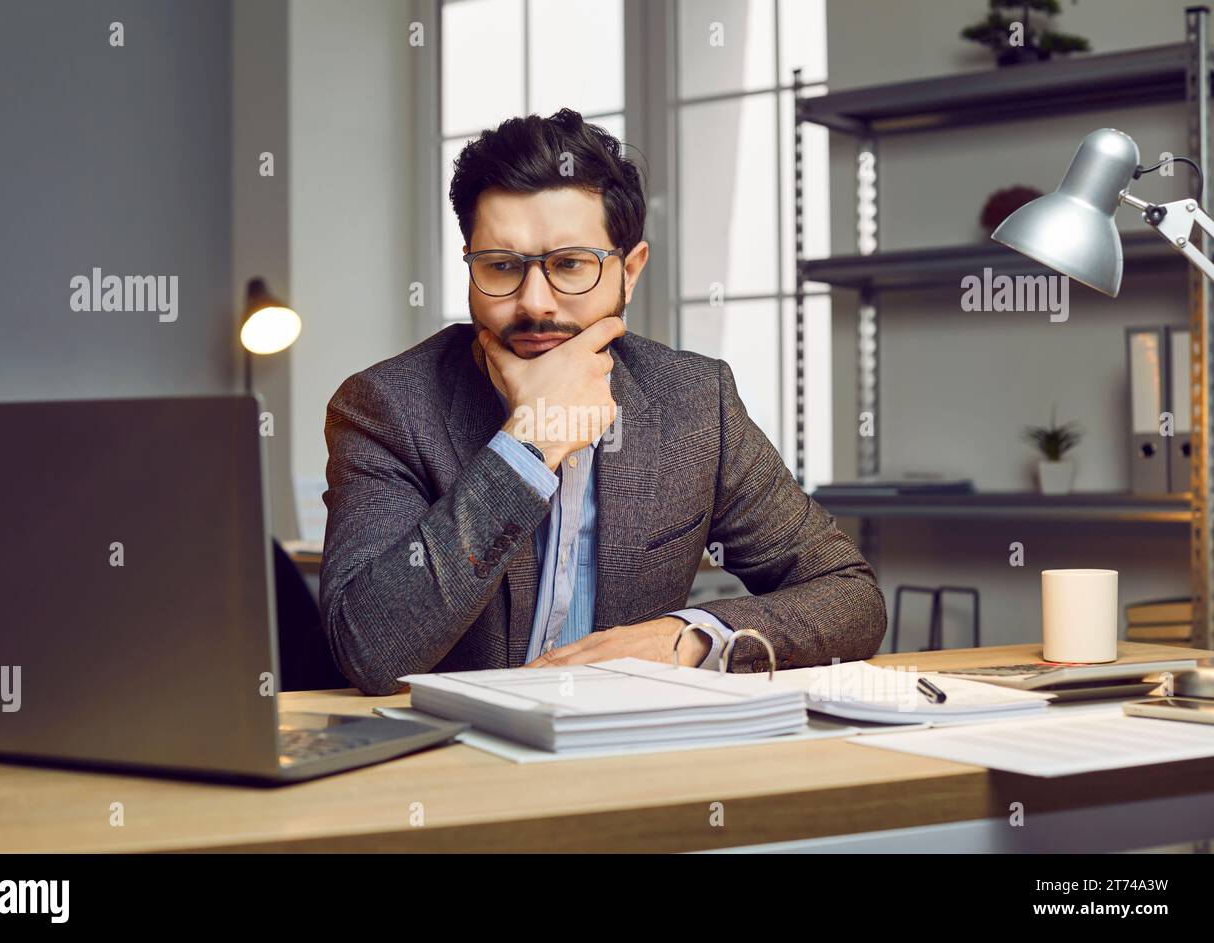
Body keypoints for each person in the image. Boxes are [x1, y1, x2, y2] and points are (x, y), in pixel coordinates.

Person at [319, 108, 886, 695]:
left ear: (630, 271)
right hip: (454, 766)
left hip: (629, 758)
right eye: (501, 267)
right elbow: (369, 649)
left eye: (570, 265)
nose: (535, 302)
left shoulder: (695, 403)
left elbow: (850, 596)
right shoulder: (386, 406)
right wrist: (528, 445)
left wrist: (686, 640)